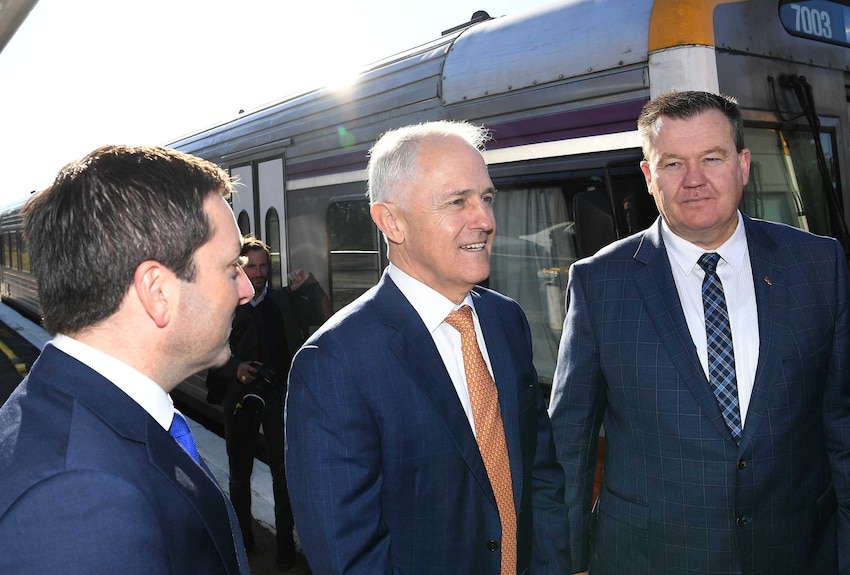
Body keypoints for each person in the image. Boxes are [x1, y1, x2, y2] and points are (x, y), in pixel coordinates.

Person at [549, 90, 850, 574]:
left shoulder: (817, 265)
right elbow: (571, 444)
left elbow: (847, 427)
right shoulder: (599, 283)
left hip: (798, 551)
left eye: (711, 158)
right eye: (672, 163)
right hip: (651, 557)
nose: (694, 180)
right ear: (649, 177)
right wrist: (563, 562)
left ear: (742, 164)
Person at [285, 120, 570, 575]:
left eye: (487, 198)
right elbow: (348, 554)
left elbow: (539, 469)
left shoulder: (505, 320)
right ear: (391, 221)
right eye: (458, 201)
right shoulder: (334, 362)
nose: (486, 220)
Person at [0, 145, 254, 574]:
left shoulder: (86, 420)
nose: (246, 289)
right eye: (232, 267)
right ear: (157, 291)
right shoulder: (77, 501)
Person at [206, 236, 329, 570]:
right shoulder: (226, 304)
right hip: (238, 398)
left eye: (263, 266)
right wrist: (237, 368)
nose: (258, 273)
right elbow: (207, 350)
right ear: (240, 268)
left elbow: (326, 315)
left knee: (281, 472)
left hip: (278, 397)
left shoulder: (283, 301)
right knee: (239, 472)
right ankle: (244, 536)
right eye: (252, 267)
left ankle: (285, 543)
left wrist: (312, 287)